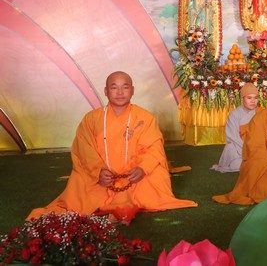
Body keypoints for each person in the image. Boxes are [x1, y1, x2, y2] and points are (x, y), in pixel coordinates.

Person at [28, 71, 197, 219]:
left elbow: (154, 147)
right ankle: (106, 194)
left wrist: (142, 168)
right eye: (114, 87)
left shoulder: (145, 117)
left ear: (132, 90)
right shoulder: (91, 119)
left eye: (125, 87)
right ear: (106, 91)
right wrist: (98, 172)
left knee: (155, 174)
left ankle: (134, 193)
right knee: (80, 183)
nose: (120, 92)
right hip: (102, 177)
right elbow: (83, 149)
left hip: (133, 176)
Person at [211, 83, 259, 172]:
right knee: (234, 161)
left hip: (256, 147)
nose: (253, 101)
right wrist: (247, 152)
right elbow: (233, 137)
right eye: (249, 98)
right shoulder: (234, 114)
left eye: (255, 98)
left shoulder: (261, 113)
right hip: (238, 148)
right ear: (242, 99)